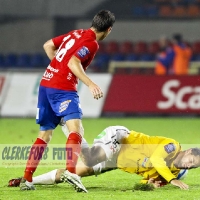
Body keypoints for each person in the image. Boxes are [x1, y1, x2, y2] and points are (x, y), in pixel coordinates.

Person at [19, 10, 115, 192]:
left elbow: (48, 45)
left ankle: (27, 178)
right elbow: (73, 62)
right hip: (62, 89)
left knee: (44, 135)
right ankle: (72, 172)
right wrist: (90, 83)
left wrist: (57, 68)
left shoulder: (76, 33)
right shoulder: (92, 43)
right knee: (76, 130)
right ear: (108, 29)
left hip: (46, 84)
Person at [11, 125, 200, 191]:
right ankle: (69, 127)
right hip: (119, 139)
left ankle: (27, 180)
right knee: (91, 158)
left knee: (76, 171)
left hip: (117, 162)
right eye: (192, 161)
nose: (189, 166)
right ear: (189, 151)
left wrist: (149, 184)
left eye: (193, 167)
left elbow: (144, 181)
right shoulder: (173, 146)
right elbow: (158, 160)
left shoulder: (169, 173)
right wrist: (172, 180)